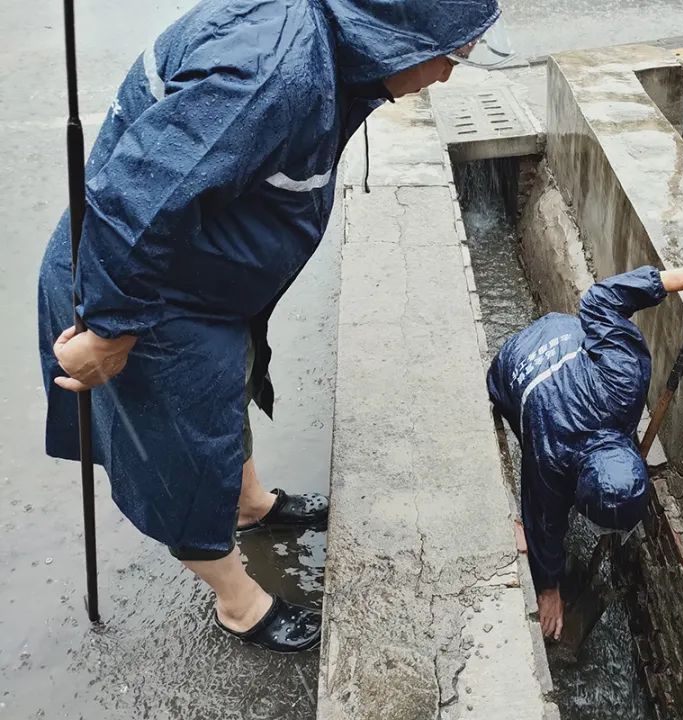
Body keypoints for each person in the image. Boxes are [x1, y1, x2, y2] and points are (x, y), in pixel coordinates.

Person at [39, 0, 512, 653]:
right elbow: (137, 200)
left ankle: (249, 504)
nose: (448, 75)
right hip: (142, 289)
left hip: (203, 282)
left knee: (225, 393)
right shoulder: (269, 74)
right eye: (452, 55)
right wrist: (111, 330)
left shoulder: (332, 47)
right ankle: (238, 602)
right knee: (188, 451)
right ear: (397, 34)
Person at [487, 262, 683, 640]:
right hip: (514, 367)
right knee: (544, 502)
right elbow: (543, 519)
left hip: (563, 340)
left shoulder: (624, 382)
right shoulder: (550, 457)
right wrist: (548, 588)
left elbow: (601, 303)